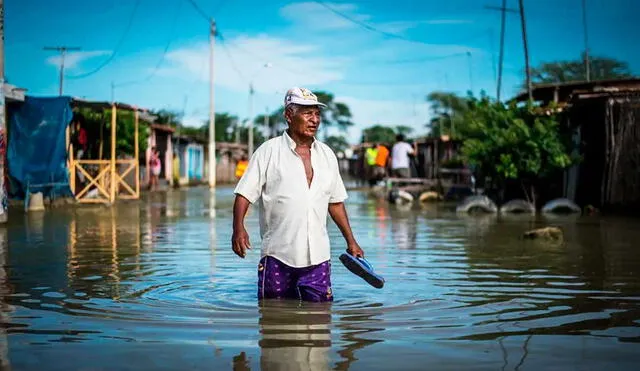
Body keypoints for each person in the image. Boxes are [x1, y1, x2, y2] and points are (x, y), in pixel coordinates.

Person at [232, 87, 365, 302]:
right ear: (288, 116)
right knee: (273, 317)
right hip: (277, 254)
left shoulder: (327, 155)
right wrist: (238, 228)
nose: (314, 120)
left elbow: (336, 203)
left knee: (320, 319)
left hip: (318, 256)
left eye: (317, 114)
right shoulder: (268, 151)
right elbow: (244, 194)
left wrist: (352, 241)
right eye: (307, 113)